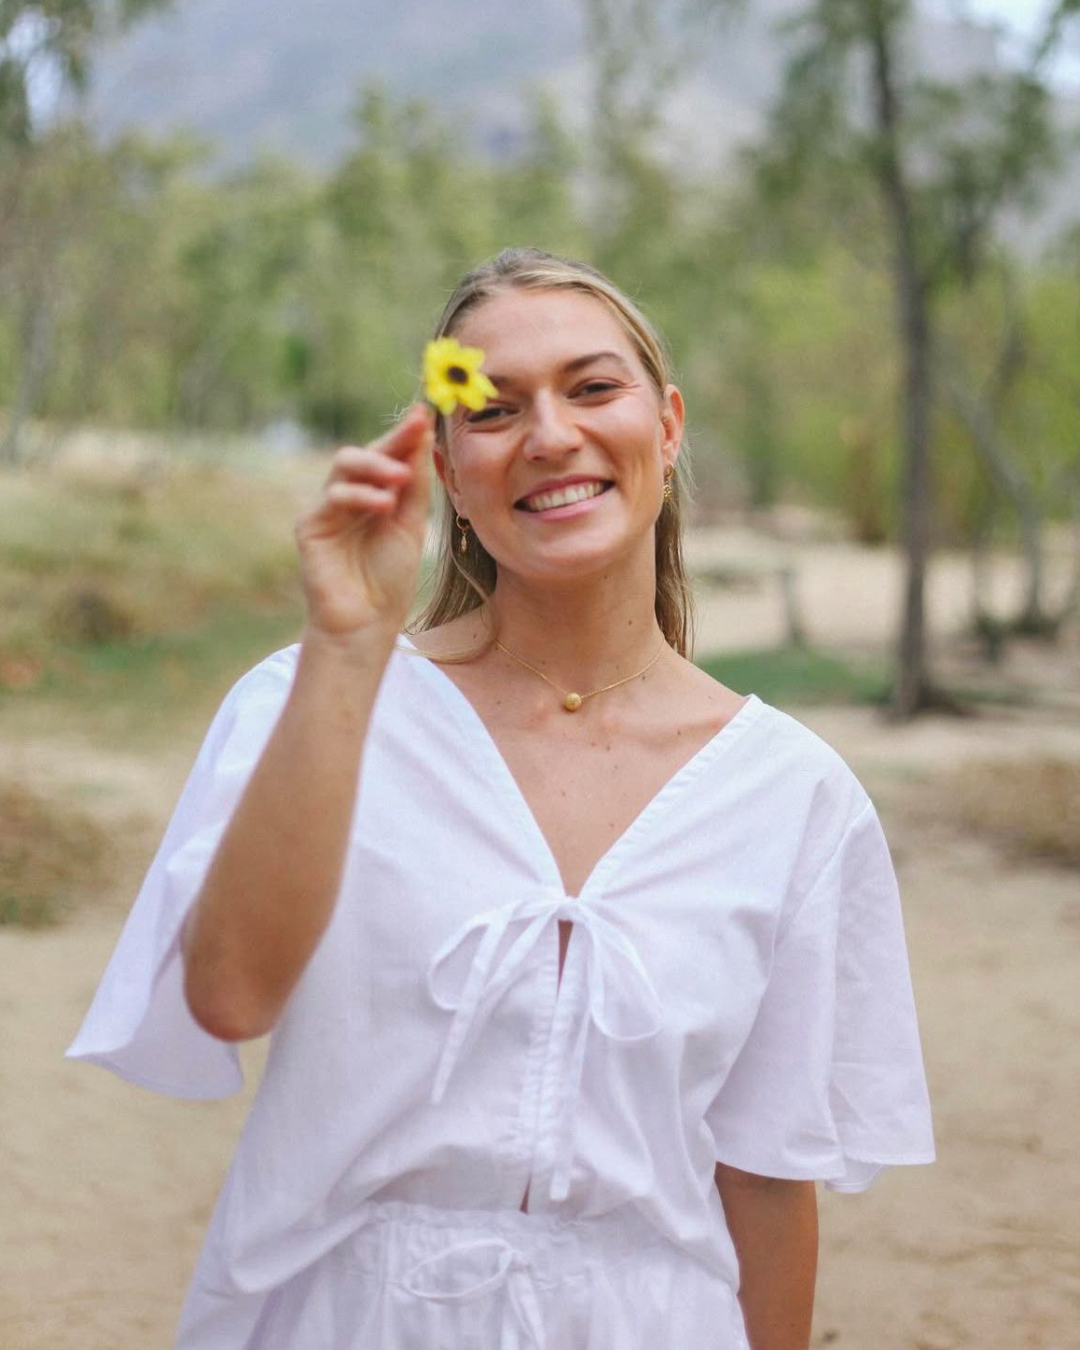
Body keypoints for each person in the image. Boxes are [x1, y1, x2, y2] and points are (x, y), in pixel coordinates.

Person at [67, 247, 935, 1349]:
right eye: (493, 408)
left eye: (592, 387)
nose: (550, 436)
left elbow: (765, 1183)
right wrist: (347, 641)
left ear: (667, 428)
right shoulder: (311, 699)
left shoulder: (793, 795)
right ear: (446, 467)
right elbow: (230, 996)